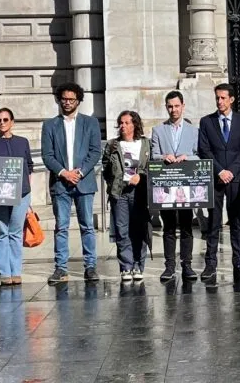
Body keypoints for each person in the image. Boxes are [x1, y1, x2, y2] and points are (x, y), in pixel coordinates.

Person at [41, 82, 102, 284]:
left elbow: (95, 152)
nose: (67, 103)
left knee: (87, 226)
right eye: (64, 99)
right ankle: (61, 268)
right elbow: (47, 155)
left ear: (78, 101)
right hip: (61, 183)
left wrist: (80, 172)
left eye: (72, 99)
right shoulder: (50, 125)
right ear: (59, 99)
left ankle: (90, 266)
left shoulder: (90, 123)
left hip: (84, 182)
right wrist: (64, 173)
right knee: (62, 227)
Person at [198, 83, 240, 282]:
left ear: (231, 99)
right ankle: (210, 264)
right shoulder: (207, 122)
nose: (219, 101)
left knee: (236, 222)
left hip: (236, 178)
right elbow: (204, 150)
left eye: (223, 98)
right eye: (217, 98)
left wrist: (231, 172)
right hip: (216, 177)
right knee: (213, 222)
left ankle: (239, 263)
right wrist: (220, 171)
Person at [151, 90, 200, 282]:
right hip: (167, 184)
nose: (173, 110)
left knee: (187, 226)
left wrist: (188, 157)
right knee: (169, 227)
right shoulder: (158, 130)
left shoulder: (193, 130)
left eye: (177, 106)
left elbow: (199, 153)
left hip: (186, 185)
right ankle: (169, 266)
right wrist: (164, 157)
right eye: (170, 106)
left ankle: (187, 265)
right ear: (166, 107)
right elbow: (154, 154)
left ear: (183, 106)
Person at [0, 108, 33, 286]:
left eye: (5, 119)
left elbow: (29, 166)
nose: (2, 123)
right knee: (1, 232)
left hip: (22, 193)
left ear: (12, 121)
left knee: (16, 233)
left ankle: (16, 271)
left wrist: (29, 194)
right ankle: (4, 272)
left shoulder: (23, 142)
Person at [102, 111, 151, 282]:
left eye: (126, 123)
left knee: (139, 230)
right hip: (120, 193)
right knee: (122, 231)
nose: (123, 126)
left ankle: (138, 264)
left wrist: (142, 175)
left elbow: (152, 166)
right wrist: (113, 183)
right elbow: (105, 168)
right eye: (120, 123)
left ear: (135, 124)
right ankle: (126, 266)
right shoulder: (113, 145)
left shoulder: (145, 144)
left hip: (140, 193)